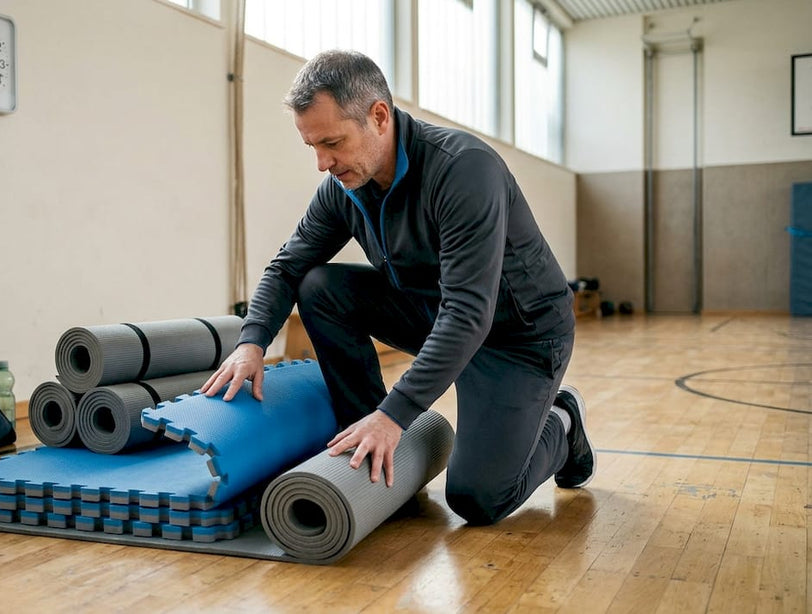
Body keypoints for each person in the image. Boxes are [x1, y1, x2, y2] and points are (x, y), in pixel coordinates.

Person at [200, 50, 595, 525]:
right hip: (435, 313)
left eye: (333, 143)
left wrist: (398, 413)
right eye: (313, 148)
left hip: (519, 337)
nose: (323, 163)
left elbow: (470, 311)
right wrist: (251, 342)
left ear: (379, 117)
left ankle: (564, 419)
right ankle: (364, 443)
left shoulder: (464, 170)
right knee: (320, 284)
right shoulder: (343, 187)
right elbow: (286, 268)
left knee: (479, 498)